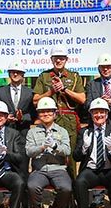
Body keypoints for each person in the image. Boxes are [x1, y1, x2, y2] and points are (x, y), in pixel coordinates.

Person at [32, 46, 85, 176]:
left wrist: (65, 89)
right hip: (48, 120)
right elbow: (35, 100)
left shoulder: (75, 76)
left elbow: (82, 99)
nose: (59, 60)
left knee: (69, 156)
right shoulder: (44, 76)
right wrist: (51, 91)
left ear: (66, 59)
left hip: (69, 121)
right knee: (49, 154)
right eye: (56, 58)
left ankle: (71, 191)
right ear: (51, 59)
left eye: (61, 58)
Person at [25, 97, 72, 208]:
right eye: (42, 112)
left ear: (55, 114)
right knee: (32, 186)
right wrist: (41, 147)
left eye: (49, 111)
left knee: (66, 188)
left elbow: (67, 150)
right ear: (38, 114)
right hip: (39, 169)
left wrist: (55, 145)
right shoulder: (32, 132)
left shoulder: (62, 131)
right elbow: (28, 151)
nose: (46, 114)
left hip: (58, 168)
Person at [0, 60, 36, 160]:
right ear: (9, 74)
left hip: (23, 133)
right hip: (5, 133)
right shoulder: (1, 92)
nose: (15, 74)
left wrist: (22, 117)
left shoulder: (30, 92)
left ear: (23, 74)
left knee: (22, 163)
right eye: (13, 72)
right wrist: (5, 117)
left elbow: (34, 114)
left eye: (18, 72)